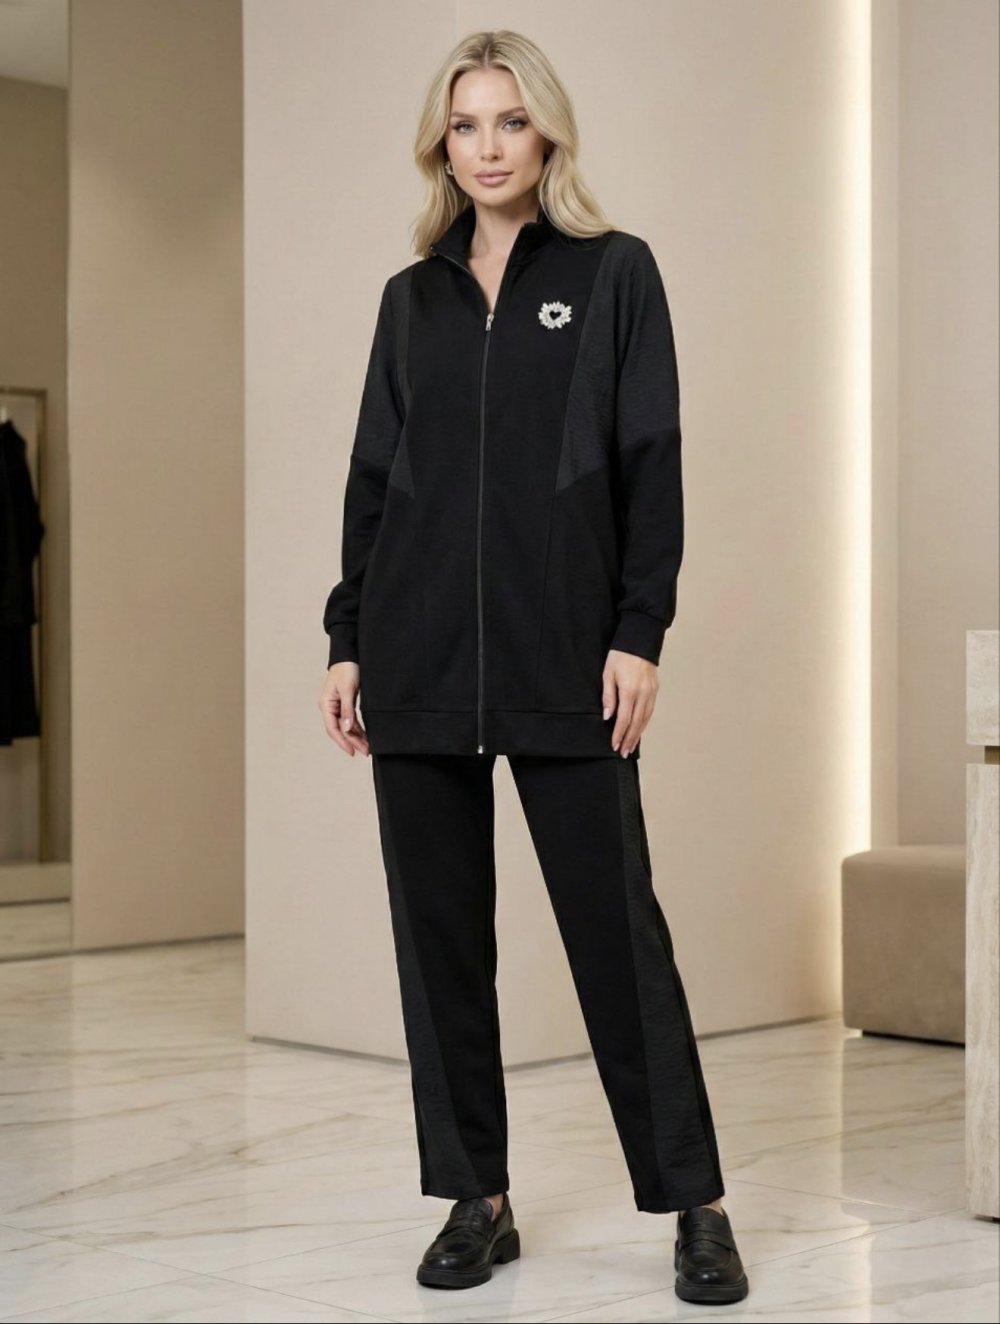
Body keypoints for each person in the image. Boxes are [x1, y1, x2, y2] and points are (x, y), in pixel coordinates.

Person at [318, 28, 749, 1306]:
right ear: (440, 146)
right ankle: (477, 1196)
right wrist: (348, 637)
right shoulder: (412, 299)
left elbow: (651, 461)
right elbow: (374, 477)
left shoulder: (614, 274)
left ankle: (695, 1203)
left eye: (509, 121)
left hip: (566, 655)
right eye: (466, 125)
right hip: (416, 655)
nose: (488, 146)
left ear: (546, 131)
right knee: (438, 943)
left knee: (620, 940)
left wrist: (638, 629)